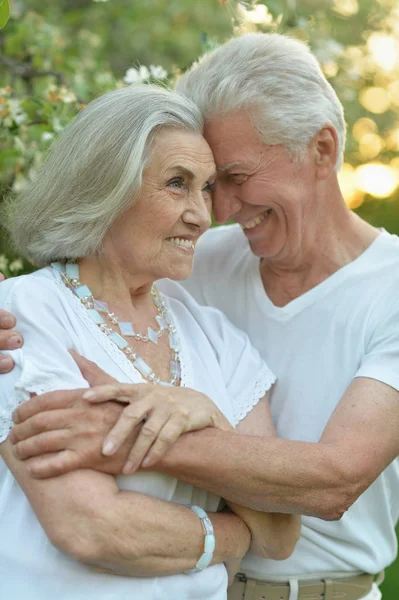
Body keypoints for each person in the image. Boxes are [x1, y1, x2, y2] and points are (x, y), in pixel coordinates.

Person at [1, 32, 398, 600]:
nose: (216, 214)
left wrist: (167, 422)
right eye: (187, 185)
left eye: (226, 181)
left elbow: (326, 490)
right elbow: (88, 524)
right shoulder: (174, 269)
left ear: (324, 149)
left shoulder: (382, 290)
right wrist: (235, 532)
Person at [0, 83, 300, 599]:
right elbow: (90, 528)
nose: (202, 215)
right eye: (176, 183)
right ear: (104, 186)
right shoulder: (25, 315)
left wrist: (201, 411)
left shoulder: (216, 335)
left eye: (205, 187)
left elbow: (279, 532)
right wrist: (231, 533)